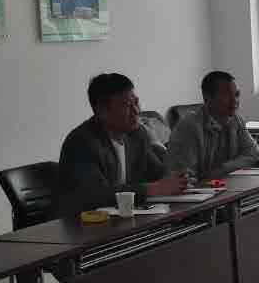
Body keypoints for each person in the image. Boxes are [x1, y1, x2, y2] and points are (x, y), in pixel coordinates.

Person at [57, 73, 188, 214]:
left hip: (123, 217)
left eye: (136, 103)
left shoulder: (137, 135)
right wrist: (152, 188)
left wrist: (178, 178)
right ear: (102, 111)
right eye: (127, 106)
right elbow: (96, 195)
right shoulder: (81, 143)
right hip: (83, 221)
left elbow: (157, 172)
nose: (136, 111)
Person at [166, 71, 259, 180]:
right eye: (226, 95)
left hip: (224, 183)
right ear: (207, 98)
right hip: (197, 188)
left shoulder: (235, 119)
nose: (234, 101)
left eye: (236, 95)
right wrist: (217, 174)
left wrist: (222, 169)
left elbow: (254, 154)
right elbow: (184, 177)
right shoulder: (188, 128)